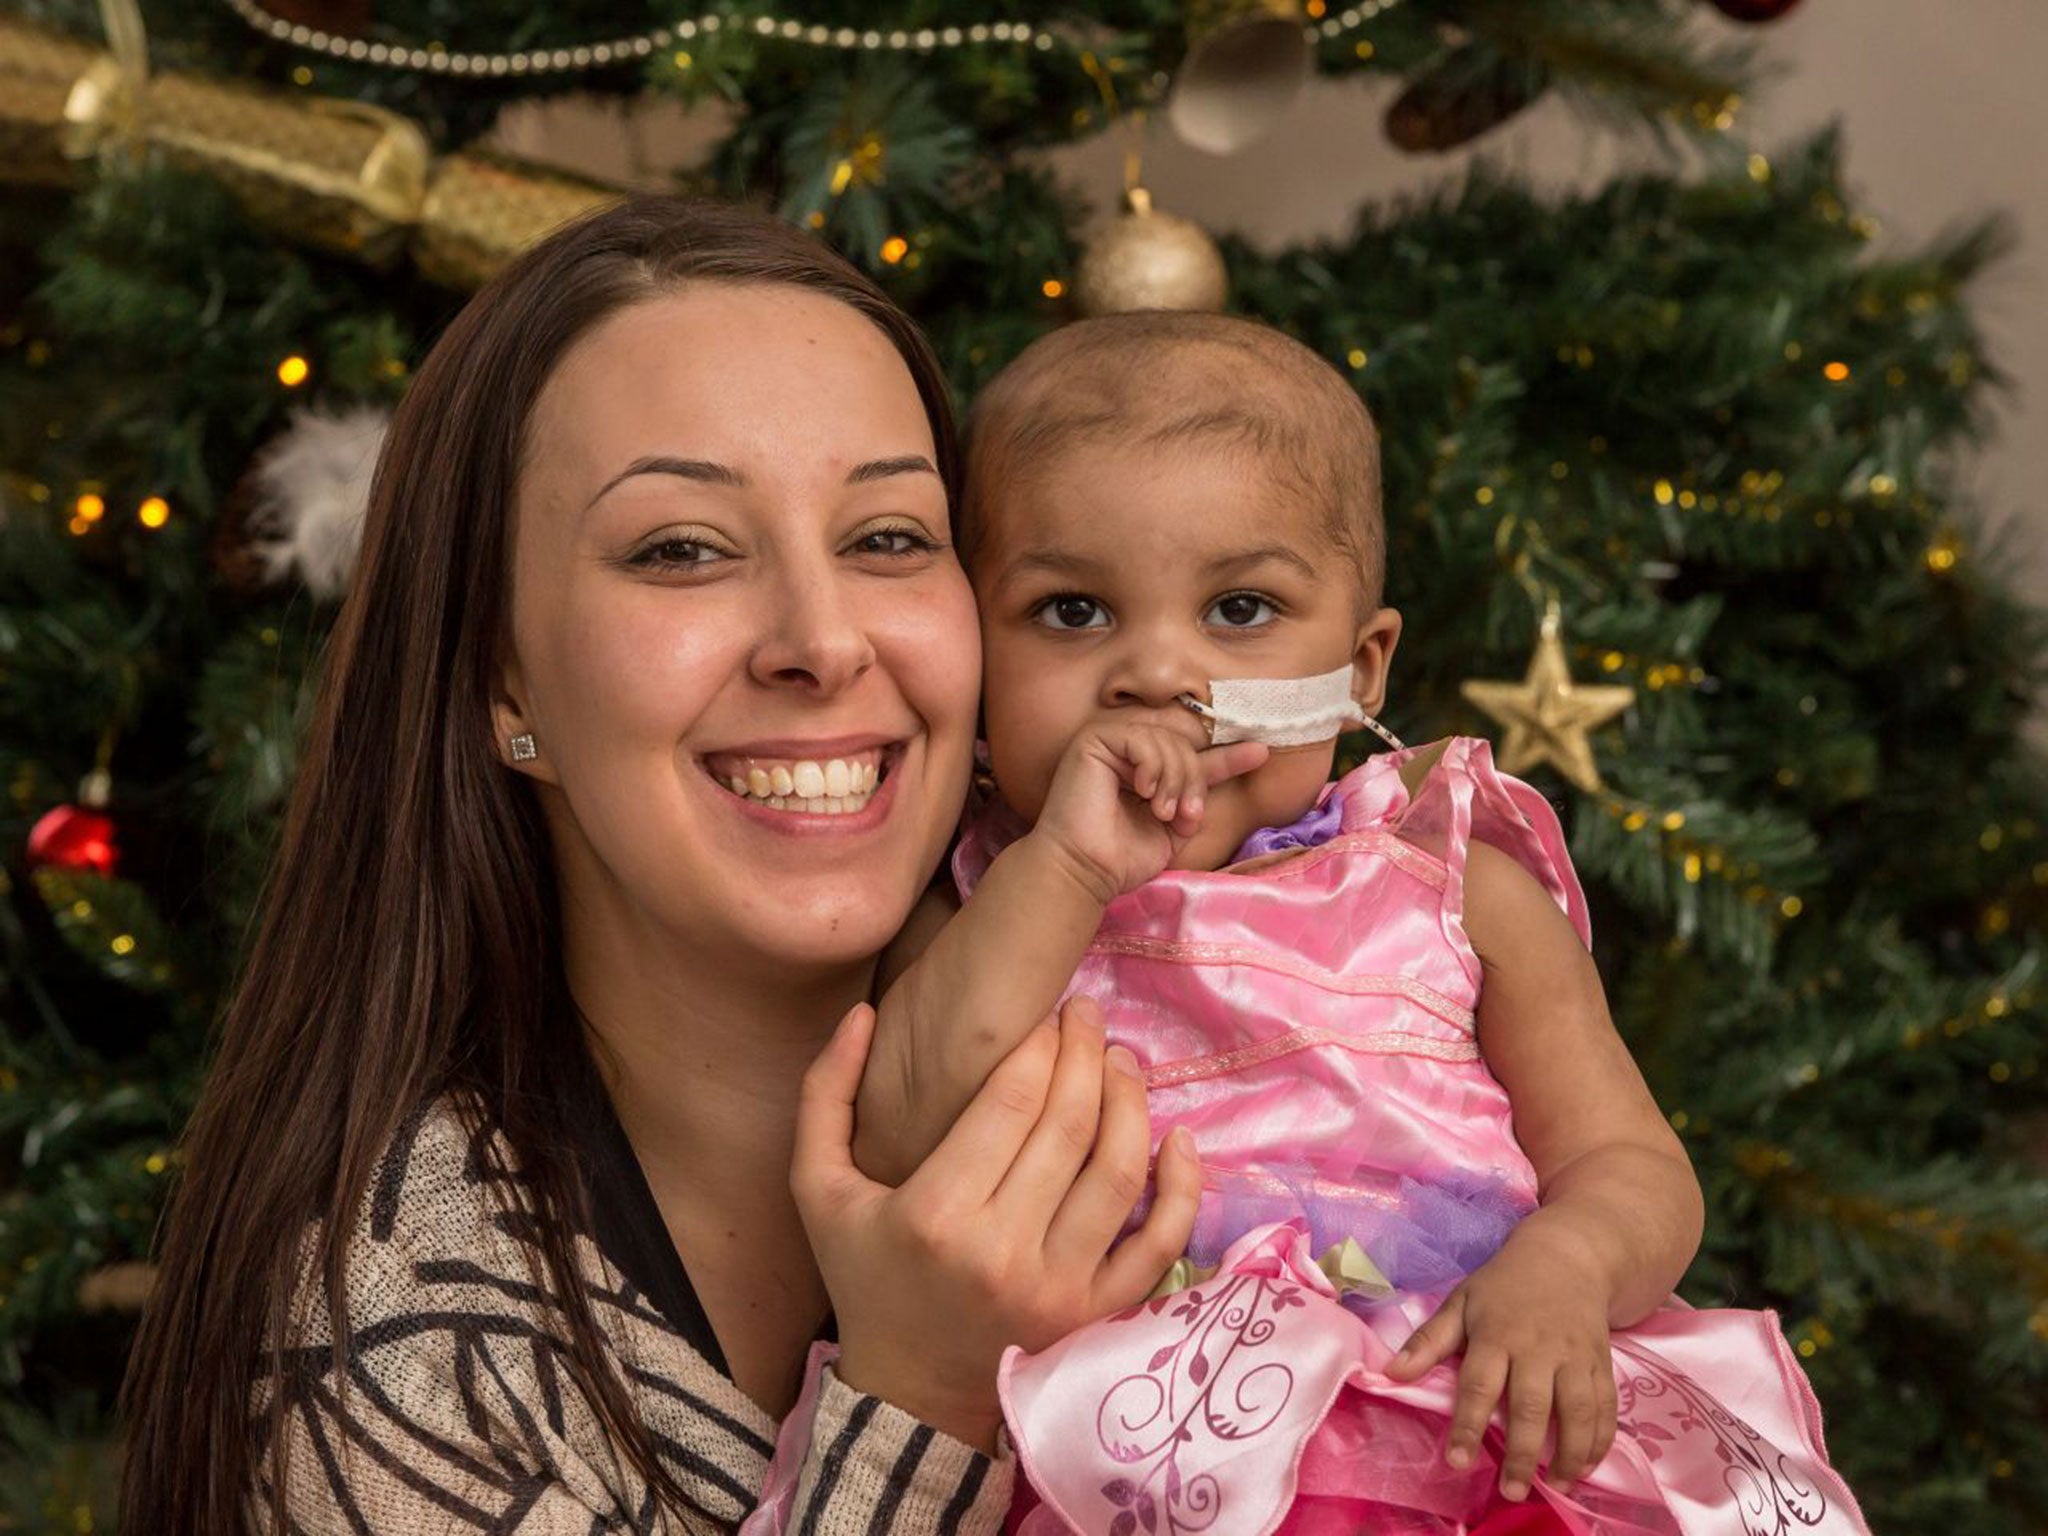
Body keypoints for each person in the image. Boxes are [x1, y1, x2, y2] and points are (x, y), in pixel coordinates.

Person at [117, 198, 1204, 1535]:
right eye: (680, 550)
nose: (824, 640)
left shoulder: (1235, 1033)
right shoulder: (396, 1339)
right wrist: (919, 1401)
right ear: (501, 679)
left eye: (887, 540)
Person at [845, 313, 1872, 1536]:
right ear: (975, 653)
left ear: (1362, 667)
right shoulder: (978, 899)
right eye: (1071, 612)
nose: (1157, 672)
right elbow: (897, 1129)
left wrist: (1571, 1260)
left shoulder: (1450, 890)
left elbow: (1634, 1167)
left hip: (1460, 1441)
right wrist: (1063, 868)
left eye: (1238, 609)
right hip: (1122, 1461)